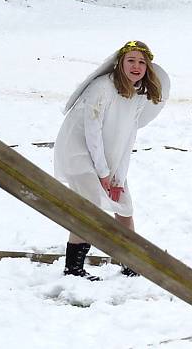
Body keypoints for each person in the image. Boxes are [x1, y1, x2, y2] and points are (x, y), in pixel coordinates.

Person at [54, 40, 169, 280]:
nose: (136, 66)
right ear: (120, 63)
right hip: (81, 153)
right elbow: (91, 131)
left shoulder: (137, 95)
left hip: (108, 157)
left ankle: (130, 261)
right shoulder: (102, 87)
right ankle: (73, 268)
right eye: (131, 60)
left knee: (125, 207)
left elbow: (128, 137)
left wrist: (117, 178)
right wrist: (102, 173)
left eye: (141, 62)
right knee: (90, 206)